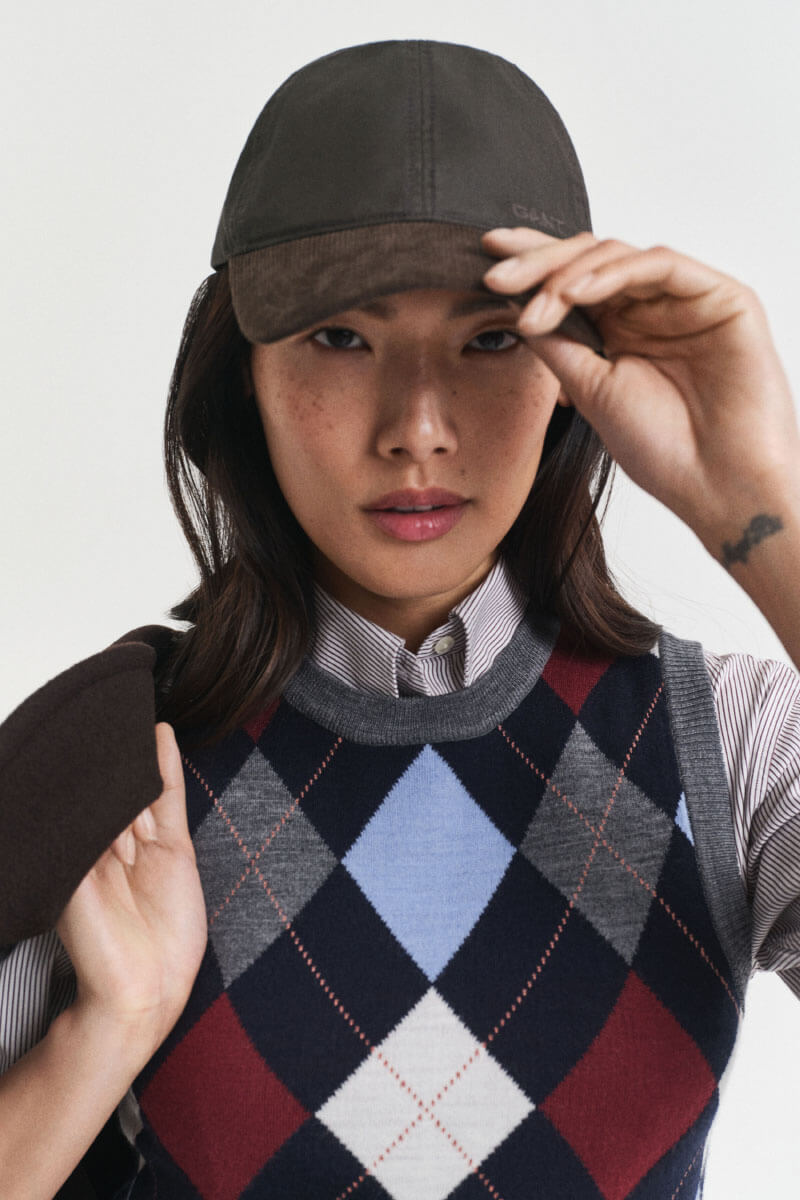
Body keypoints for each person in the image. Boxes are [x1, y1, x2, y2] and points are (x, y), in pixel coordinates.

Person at [1, 37, 798, 1200]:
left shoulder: (726, 744)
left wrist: (762, 506)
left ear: (570, 376)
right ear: (242, 375)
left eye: (489, 339)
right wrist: (105, 1031)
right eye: (341, 337)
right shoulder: (110, 762)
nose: (416, 426)